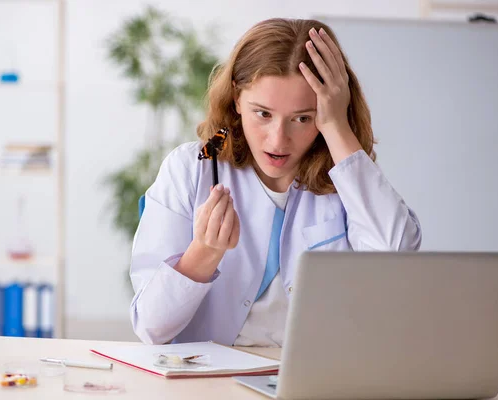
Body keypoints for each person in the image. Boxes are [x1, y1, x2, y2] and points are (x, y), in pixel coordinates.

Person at [129, 18, 422, 347]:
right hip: (208, 380)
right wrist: (204, 253)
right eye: (263, 114)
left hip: (316, 380)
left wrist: (338, 126)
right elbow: (151, 327)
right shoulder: (191, 168)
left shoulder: (347, 178)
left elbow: (397, 256)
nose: (278, 140)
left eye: (302, 118)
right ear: (237, 99)